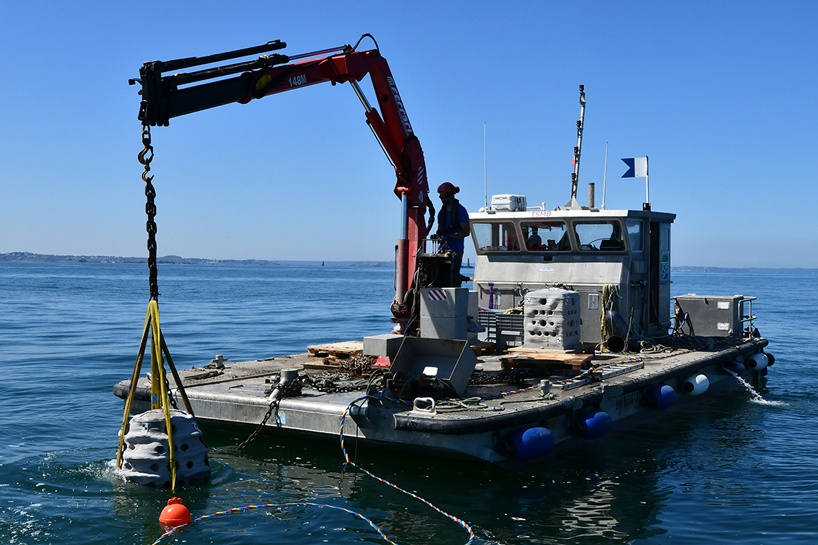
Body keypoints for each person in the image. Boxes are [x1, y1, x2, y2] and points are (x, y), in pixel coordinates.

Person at [434, 182, 470, 287]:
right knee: (440, 279)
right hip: (442, 250)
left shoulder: (461, 211)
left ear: (451, 196)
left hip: (455, 250)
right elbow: (439, 230)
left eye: (444, 197)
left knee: (453, 279)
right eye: (440, 197)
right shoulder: (441, 213)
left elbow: (466, 232)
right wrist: (437, 236)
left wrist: (450, 236)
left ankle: (455, 300)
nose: (442, 200)